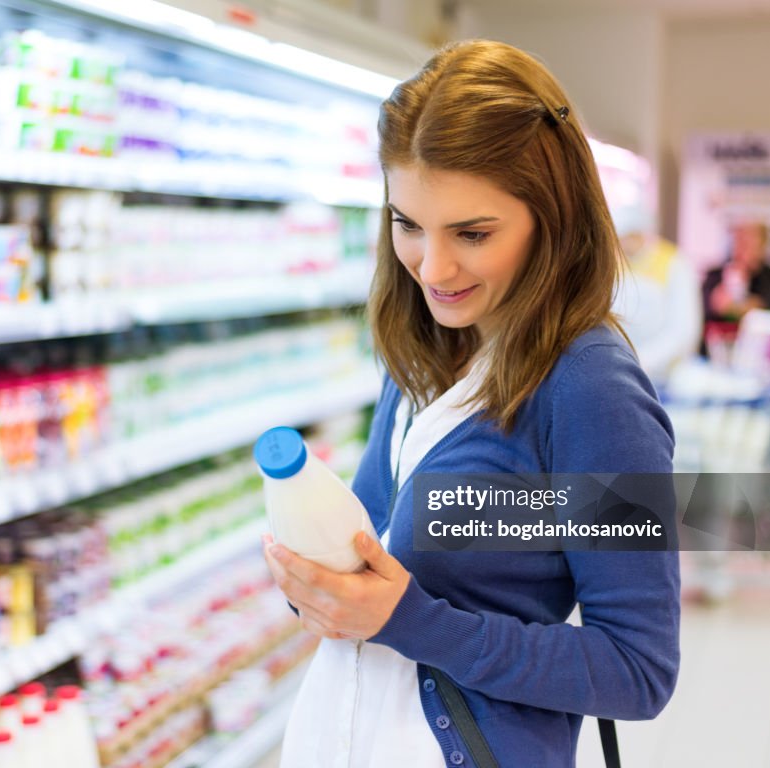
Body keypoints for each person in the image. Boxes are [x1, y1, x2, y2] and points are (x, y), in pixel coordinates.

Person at [263, 40, 680, 768]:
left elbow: (638, 669)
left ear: (552, 217)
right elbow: (378, 558)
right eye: (408, 224)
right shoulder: (423, 352)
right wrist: (317, 586)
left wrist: (412, 621)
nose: (434, 266)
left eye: (473, 233)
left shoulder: (592, 390)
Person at [612, 202, 703, 385]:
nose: (623, 244)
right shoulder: (615, 263)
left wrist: (644, 360)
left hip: (667, 376)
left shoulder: (673, 263)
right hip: (623, 370)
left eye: (628, 237)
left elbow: (684, 329)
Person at [701, 221, 770, 348]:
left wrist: (738, 308)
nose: (743, 245)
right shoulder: (715, 276)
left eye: (750, 241)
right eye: (739, 239)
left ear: (762, 244)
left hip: (762, 354)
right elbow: (702, 312)